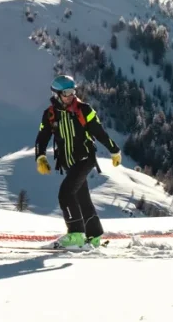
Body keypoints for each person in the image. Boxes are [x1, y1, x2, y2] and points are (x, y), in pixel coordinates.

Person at [35, 74, 121, 249]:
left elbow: (99, 132)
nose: (71, 95)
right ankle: (94, 236)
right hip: (68, 162)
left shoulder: (84, 110)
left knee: (65, 193)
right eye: (66, 92)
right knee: (81, 197)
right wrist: (41, 156)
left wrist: (114, 150)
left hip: (84, 159)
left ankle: (75, 234)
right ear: (57, 94)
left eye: (73, 91)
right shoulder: (50, 115)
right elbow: (42, 136)